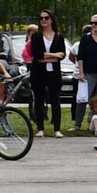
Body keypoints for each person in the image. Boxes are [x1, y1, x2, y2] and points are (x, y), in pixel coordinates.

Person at [24, 11, 68, 139]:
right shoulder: (37, 36)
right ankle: (40, 128)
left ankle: (57, 129)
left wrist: (47, 57)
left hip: (53, 72)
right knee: (39, 99)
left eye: (46, 18)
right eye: (41, 18)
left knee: (55, 99)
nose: (43, 20)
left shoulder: (59, 36)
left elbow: (62, 55)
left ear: (52, 20)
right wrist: (54, 55)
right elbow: (37, 55)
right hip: (39, 72)